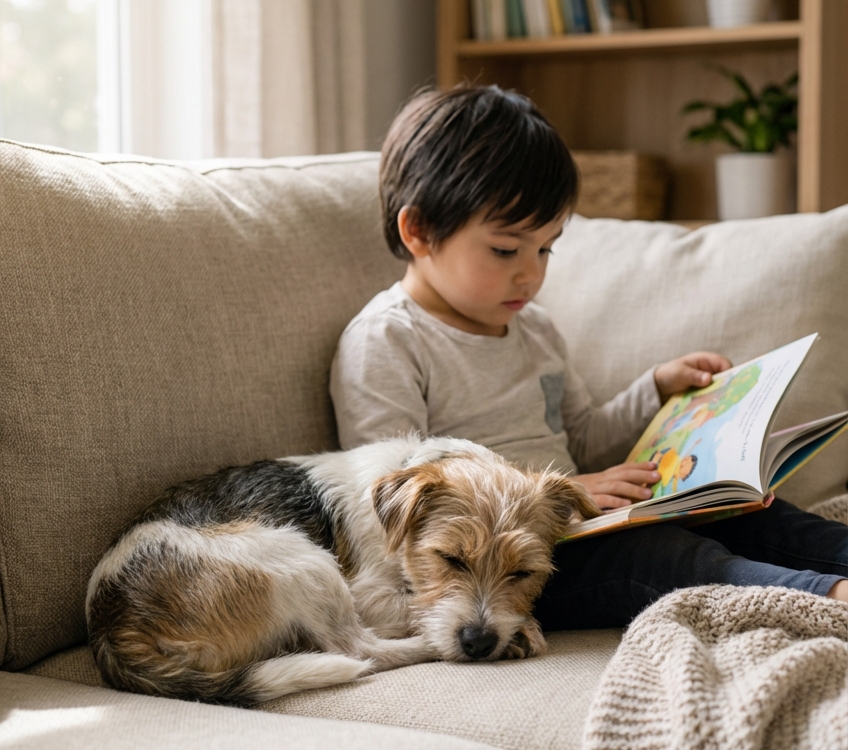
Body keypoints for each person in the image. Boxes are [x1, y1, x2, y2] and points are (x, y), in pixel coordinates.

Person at [330, 85, 848, 630]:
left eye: (545, 248)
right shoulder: (387, 342)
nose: (530, 273)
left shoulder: (533, 328)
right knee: (664, 557)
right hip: (512, 569)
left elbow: (580, 434)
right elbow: (391, 490)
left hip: (583, 522)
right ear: (419, 231)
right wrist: (568, 495)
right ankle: (825, 599)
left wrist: (655, 391)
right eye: (506, 249)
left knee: (759, 518)